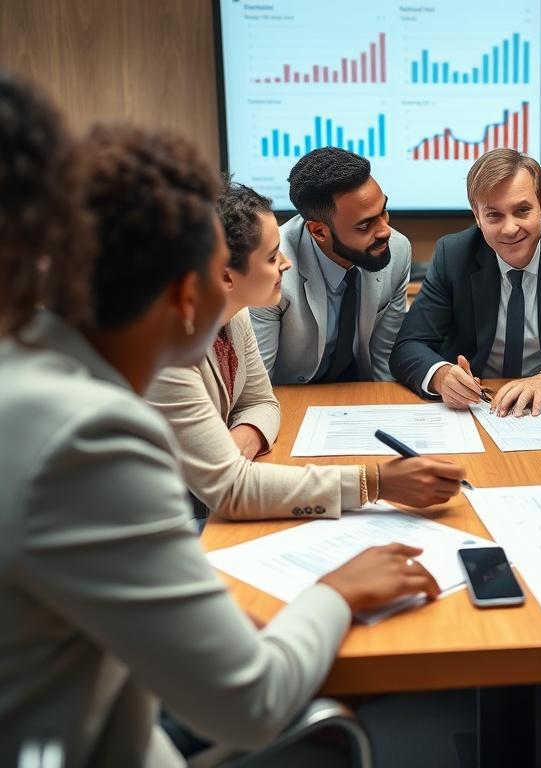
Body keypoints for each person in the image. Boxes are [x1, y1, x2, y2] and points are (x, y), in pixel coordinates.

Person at [0, 110, 439, 766]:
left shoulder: (35, 367)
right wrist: (337, 591)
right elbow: (252, 705)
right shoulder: (92, 438)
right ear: (189, 292)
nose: (277, 269)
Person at [146, 181, 465, 521]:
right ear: (225, 276)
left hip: (203, 500)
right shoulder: (164, 352)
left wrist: (247, 433)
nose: (285, 263)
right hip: (154, 528)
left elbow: (261, 401)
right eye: (271, 257)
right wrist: (374, 482)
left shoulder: (230, 312)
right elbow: (232, 491)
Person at [389, 148, 541, 417]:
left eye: (522, 210)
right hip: (477, 406)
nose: (509, 228)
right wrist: (441, 376)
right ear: (477, 216)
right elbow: (407, 347)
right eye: (494, 215)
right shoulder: (454, 255)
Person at [250, 147, 411, 384]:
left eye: (383, 210)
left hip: (359, 391)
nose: (385, 230)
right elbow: (259, 386)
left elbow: (383, 362)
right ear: (319, 231)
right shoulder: (271, 269)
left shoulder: (397, 250)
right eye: (365, 225)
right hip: (291, 395)